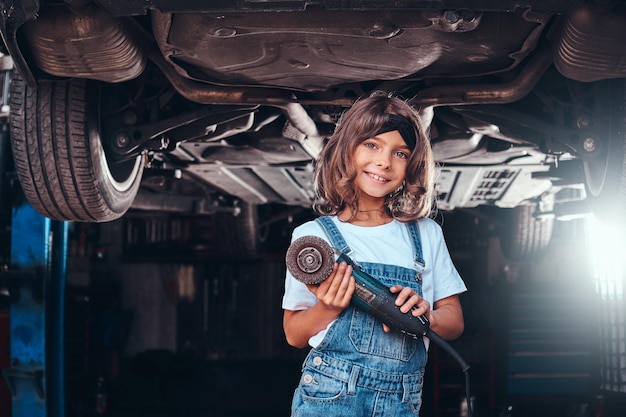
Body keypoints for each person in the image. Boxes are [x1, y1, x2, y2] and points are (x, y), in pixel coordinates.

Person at [282, 91, 467, 416]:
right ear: (348, 149)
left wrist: (429, 316)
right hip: (329, 397)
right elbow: (293, 333)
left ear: (411, 164)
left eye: (400, 152)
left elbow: (455, 321)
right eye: (372, 145)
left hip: (400, 402)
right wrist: (328, 307)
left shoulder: (426, 235)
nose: (384, 161)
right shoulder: (313, 237)